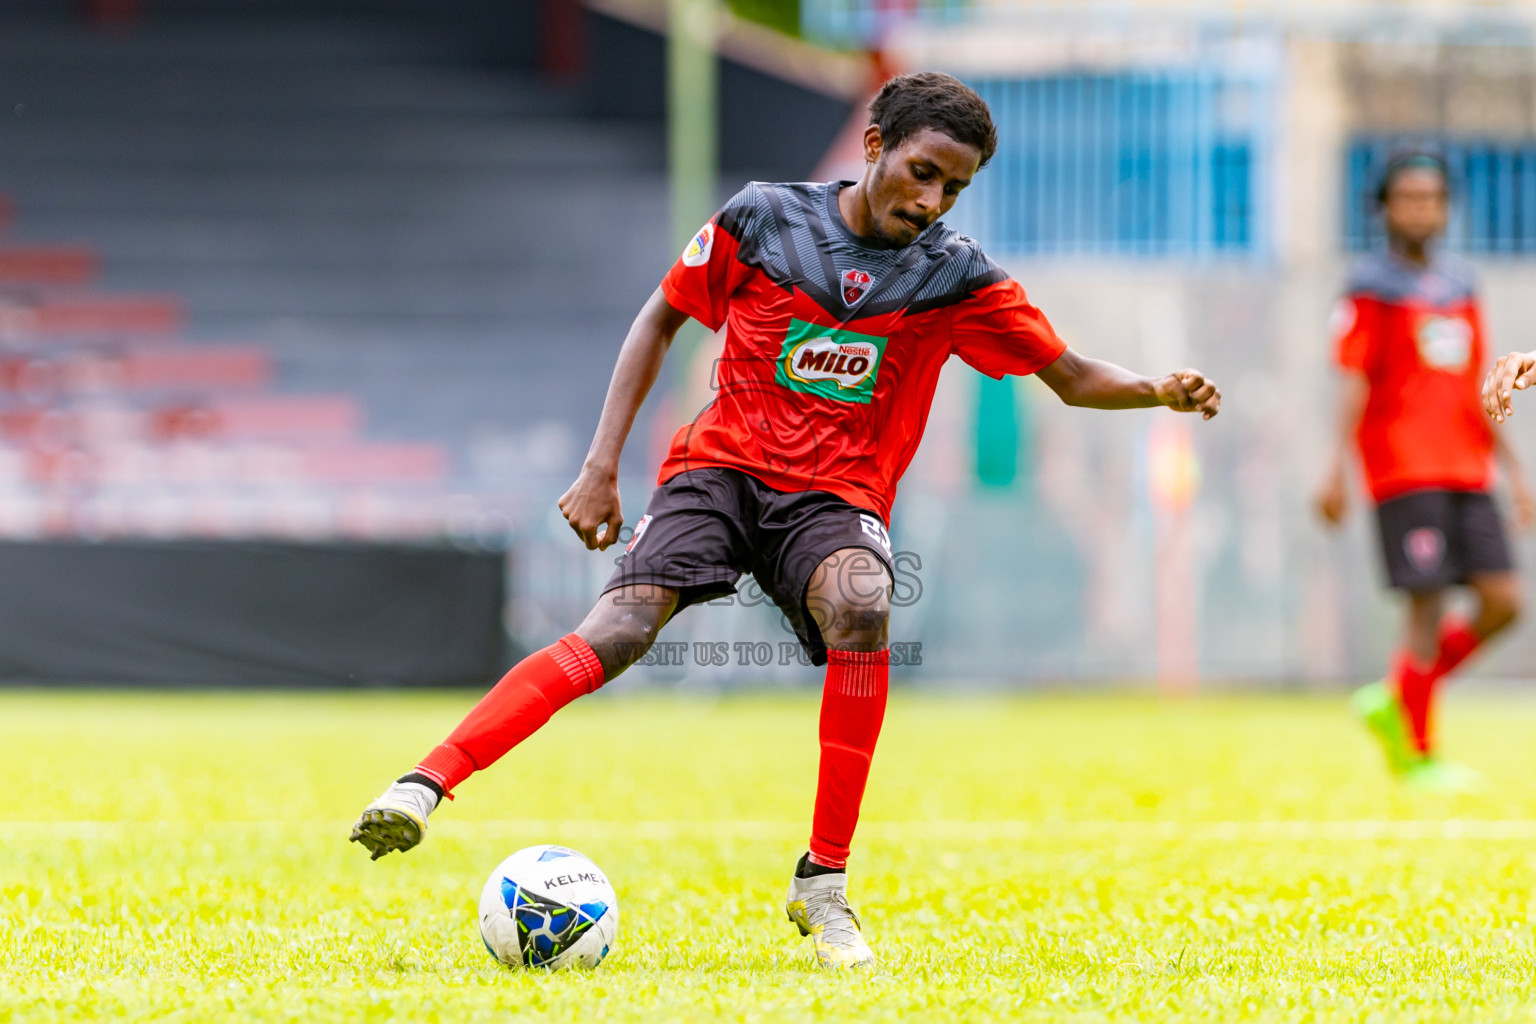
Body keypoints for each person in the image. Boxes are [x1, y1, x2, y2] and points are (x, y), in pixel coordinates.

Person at [349, 72, 1222, 967]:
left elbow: (1072, 377)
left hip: (835, 500)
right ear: (875, 145)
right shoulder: (763, 218)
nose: (932, 200)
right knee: (617, 629)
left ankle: (824, 884)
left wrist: (1156, 388)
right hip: (717, 473)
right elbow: (659, 320)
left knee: (863, 601)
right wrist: (601, 464)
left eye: (953, 189)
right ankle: (424, 785)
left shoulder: (955, 276)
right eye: (923, 172)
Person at [1316, 152, 1531, 790]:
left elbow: (1478, 384)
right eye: (1407, 197)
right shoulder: (1369, 287)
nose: (1420, 208)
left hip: (1469, 466)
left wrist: (1516, 470)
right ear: (1382, 207)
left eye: (1431, 197)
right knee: (1427, 603)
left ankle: (1397, 694)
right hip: (1404, 467)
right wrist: (1336, 468)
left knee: (1504, 603)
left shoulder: (1461, 285)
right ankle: (1417, 753)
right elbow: (1354, 379)